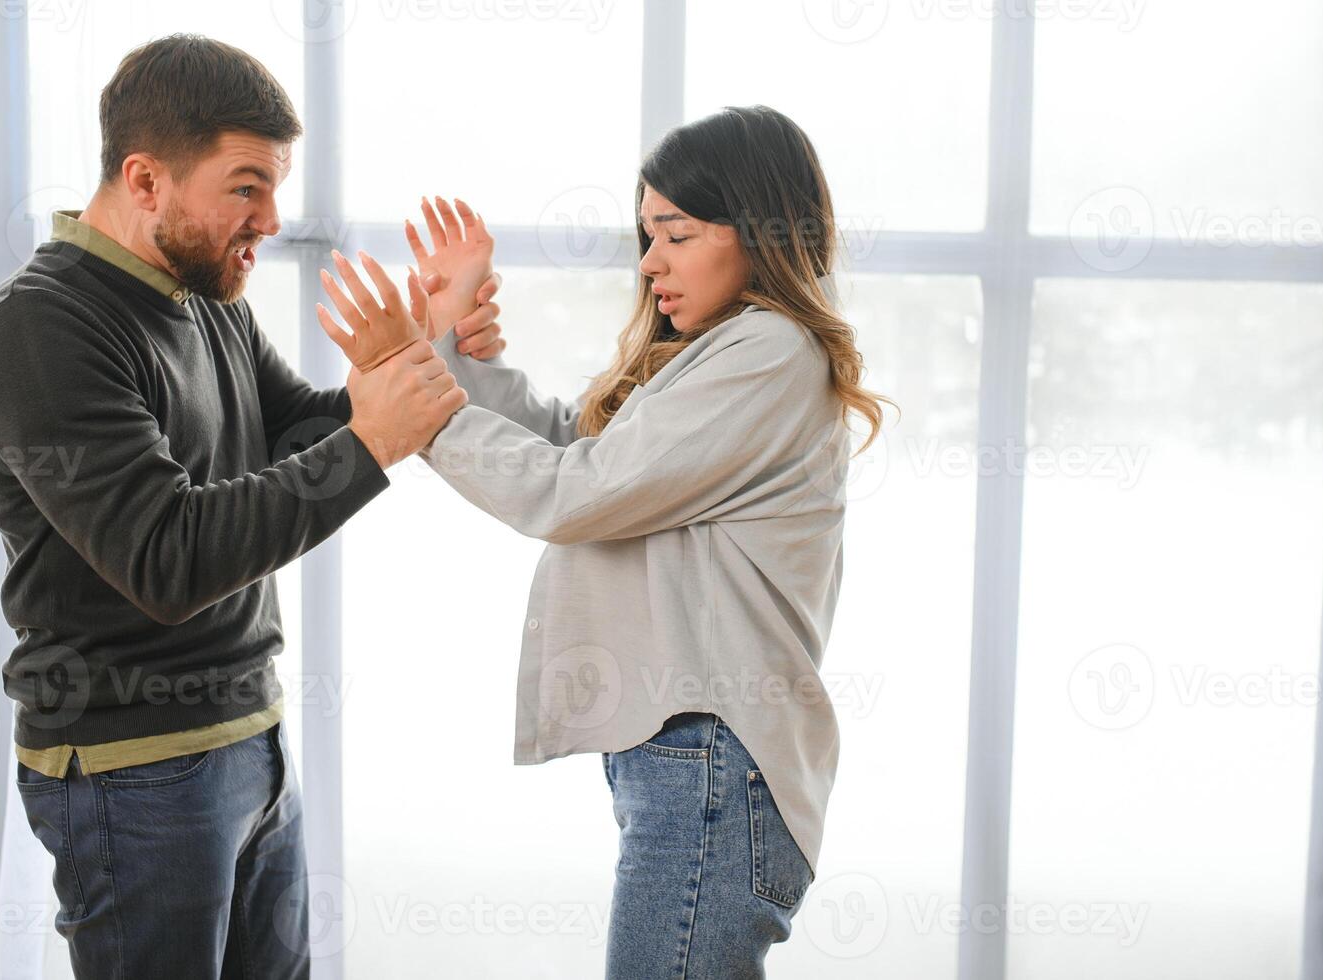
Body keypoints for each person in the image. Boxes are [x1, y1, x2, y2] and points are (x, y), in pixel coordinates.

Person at [0, 34, 501, 979]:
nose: (273, 219)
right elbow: (167, 560)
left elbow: (296, 436)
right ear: (145, 179)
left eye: (276, 186)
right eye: (246, 187)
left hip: (250, 744)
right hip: (132, 771)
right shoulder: (40, 329)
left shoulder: (205, 296)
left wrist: (431, 353)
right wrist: (376, 433)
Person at [318, 104, 894, 979]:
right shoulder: (721, 350)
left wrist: (410, 384)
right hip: (687, 757)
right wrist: (446, 344)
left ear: (762, 234)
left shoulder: (769, 353)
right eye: (645, 234)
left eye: (677, 233)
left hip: (711, 757)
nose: (650, 260)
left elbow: (571, 494)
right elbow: (576, 448)